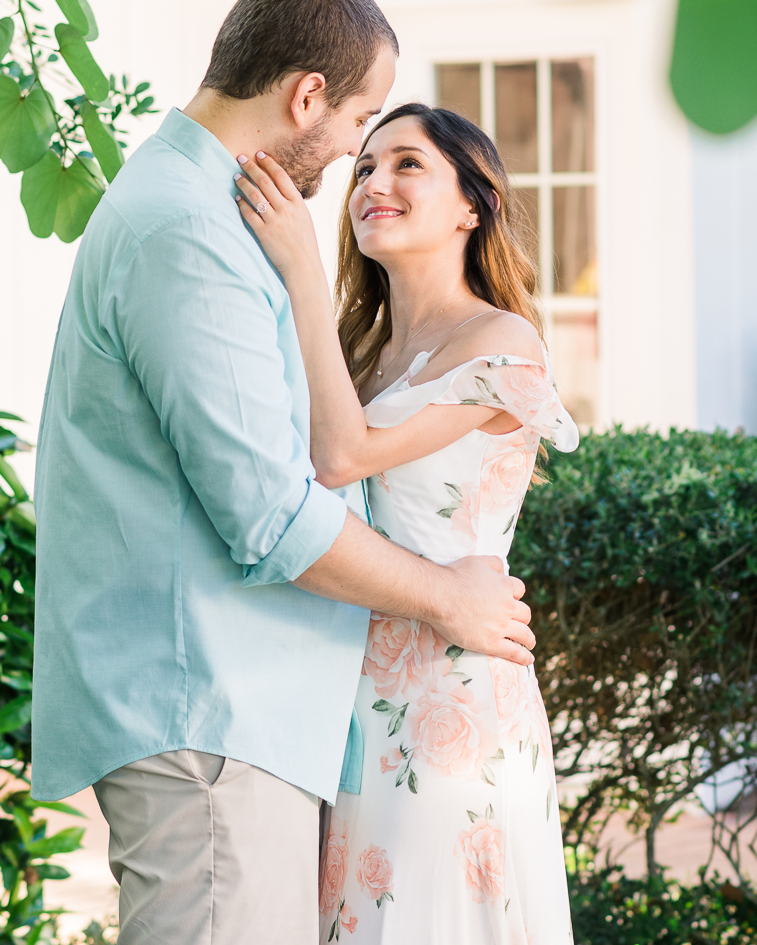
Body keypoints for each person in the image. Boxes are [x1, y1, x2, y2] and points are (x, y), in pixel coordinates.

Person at [29, 0, 538, 945]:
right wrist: (447, 597)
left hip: (247, 720)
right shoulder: (188, 232)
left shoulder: (202, 213)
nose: (355, 154)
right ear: (307, 97)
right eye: (360, 121)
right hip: (207, 719)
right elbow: (271, 514)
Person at [235, 102, 578, 944]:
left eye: (407, 165)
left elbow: (342, 458)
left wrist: (299, 269)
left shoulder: (501, 341)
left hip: (451, 692)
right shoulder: (359, 350)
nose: (373, 183)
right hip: (348, 688)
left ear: (473, 203)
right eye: (363, 167)